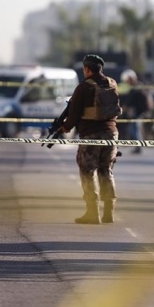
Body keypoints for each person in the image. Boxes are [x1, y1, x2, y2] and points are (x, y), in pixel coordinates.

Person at [61, 54, 122, 224]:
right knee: (106, 170)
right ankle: (109, 213)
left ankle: (92, 213)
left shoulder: (83, 87)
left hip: (91, 136)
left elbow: (73, 116)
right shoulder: (112, 83)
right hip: (111, 135)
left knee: (87, 171)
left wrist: (64, 127)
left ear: (87, 69)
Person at [120, 70, 150, 154]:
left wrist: (127, 106)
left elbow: (132, 99)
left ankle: (139, 146)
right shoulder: (135, 87)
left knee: (135, 129)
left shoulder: (137, 87)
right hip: (137, 111)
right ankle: (138, 146)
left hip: (138, 111)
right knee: (134, 129)